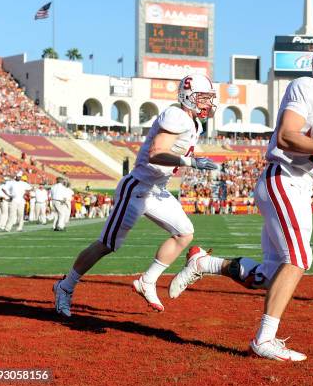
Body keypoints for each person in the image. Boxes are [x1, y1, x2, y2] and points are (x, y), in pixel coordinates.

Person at [169, 42, 313, 361]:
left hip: (297, 183)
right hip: (283, 180)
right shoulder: (306, 86)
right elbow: (287, 136)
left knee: (267, 276)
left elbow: (305, 152)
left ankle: (203, 262)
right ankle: (264, 339)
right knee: (300, 259)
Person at [53, 73, 218, 317]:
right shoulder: (176, 115)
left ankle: (147, 281)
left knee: (184, 233)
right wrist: (190, 162)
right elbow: (156, 152)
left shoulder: (195, 123)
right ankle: (64, 287)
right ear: (188, 97)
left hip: (158, 191)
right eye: (203, 98)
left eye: (208, 98)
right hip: (138, 188)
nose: (208, 103)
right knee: (106, 245)